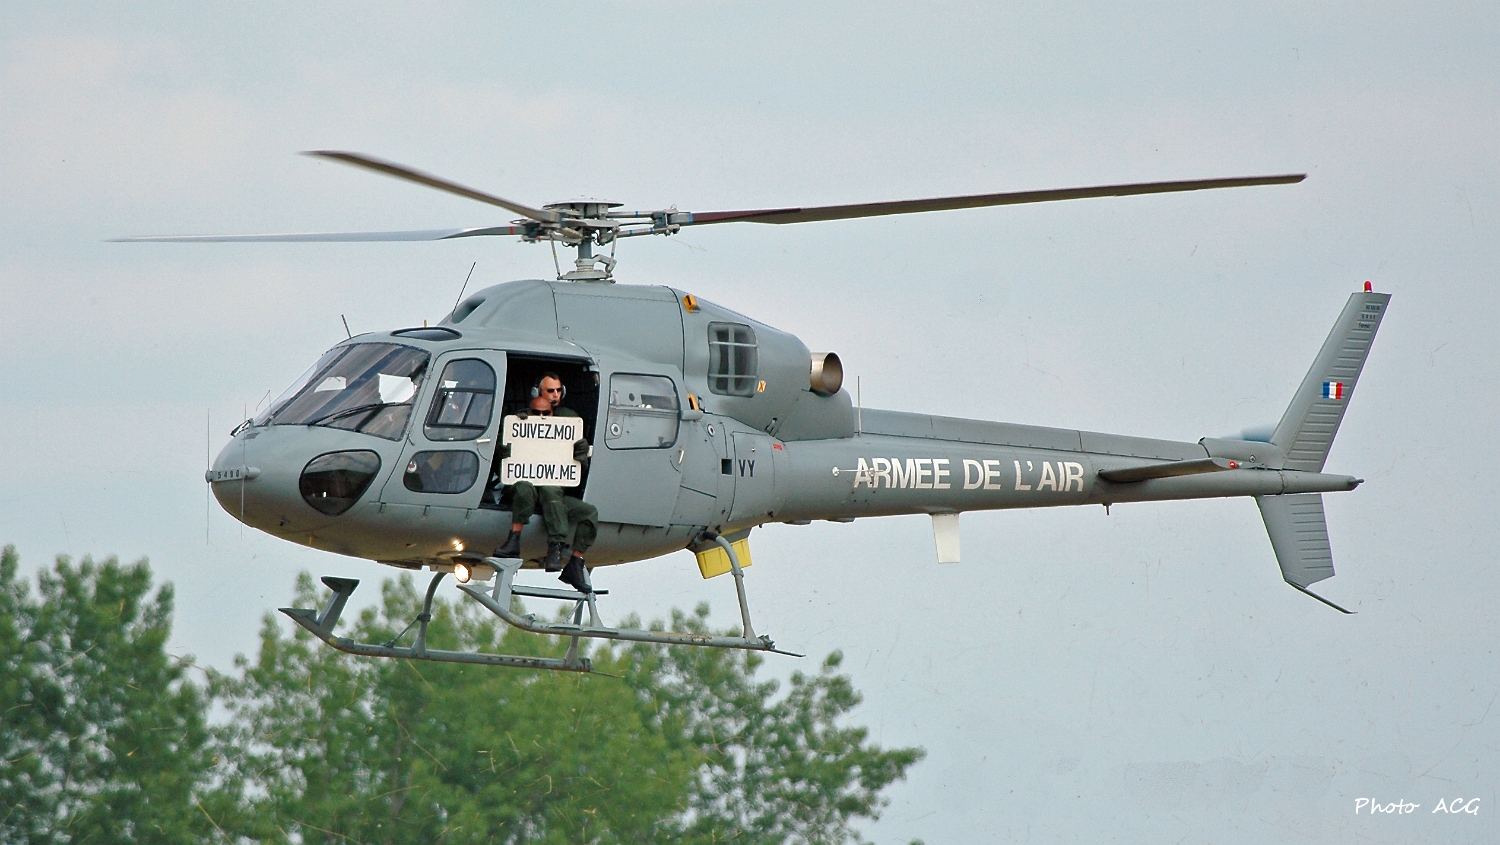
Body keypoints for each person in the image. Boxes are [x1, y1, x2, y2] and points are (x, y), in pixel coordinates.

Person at [492, 373, 599, 594]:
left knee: (588, 513)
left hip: (554, 496)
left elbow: (574, 472)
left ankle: (574, 563)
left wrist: (581, 456)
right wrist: (503, 450)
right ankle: (514, 539)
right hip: (527, 493)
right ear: (537, 393)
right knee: (524, 487)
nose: (555, 395)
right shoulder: (521, 420)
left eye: (559, 391)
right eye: (550, 391)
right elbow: (502, 467)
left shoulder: (569, 421)